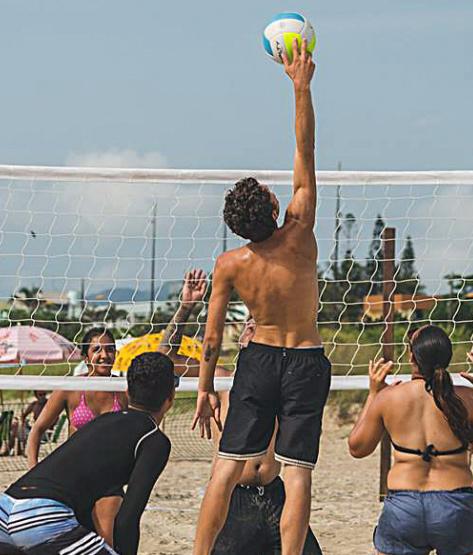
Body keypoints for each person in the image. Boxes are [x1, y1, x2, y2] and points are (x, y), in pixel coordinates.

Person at [192, 37, 327, 555]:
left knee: (224, 470)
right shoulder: (299, 230)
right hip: (305, 359)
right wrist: (300, 87)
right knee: (297, 476)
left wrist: (205, 390)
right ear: (273, 204)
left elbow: (210, 339)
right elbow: (305, 149)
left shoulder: (230, 265)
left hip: (260, 357)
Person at [160, 298, 322, 555]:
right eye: (249, 327)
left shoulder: (285, 385)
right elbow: (166, 356)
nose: (252, 332)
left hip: (274, 494)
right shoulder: (223, 380)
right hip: (234, 496)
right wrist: (186, 308)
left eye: (260, 329)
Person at [0, 352, 176, 555]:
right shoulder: (155, 440)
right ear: (171, 397)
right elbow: (128, 518)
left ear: (128, 391)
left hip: (3, 510)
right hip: (41, 518)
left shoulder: (103, 422)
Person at [348, 325, 473, 555]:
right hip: (455, 505)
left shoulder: (390, 397)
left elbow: (357, 448)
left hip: (404, 507)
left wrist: (373, 394)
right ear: (447, 357)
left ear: (412, 356)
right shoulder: (466, 397)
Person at [26, 326, 125, 467]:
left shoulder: (124, 389)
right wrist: (33, 470)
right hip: (74, 471)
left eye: (110, 349)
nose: (104, 355)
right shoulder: (70, 388)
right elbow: (37, 430)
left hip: (111, 474)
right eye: (96, 350)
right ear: (85, 357)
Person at [0, 391, 53, 456]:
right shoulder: (34, 405)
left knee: (15, 427)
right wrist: (23, 421)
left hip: (43, 433)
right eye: (40, 395)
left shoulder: (49, 405)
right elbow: (23, 416)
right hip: (35, 430)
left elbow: (55, 420)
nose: (43, 397)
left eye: (44, 394)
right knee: (16, 424)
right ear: (36, 395)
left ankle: (9, 448)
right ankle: (16, 449)